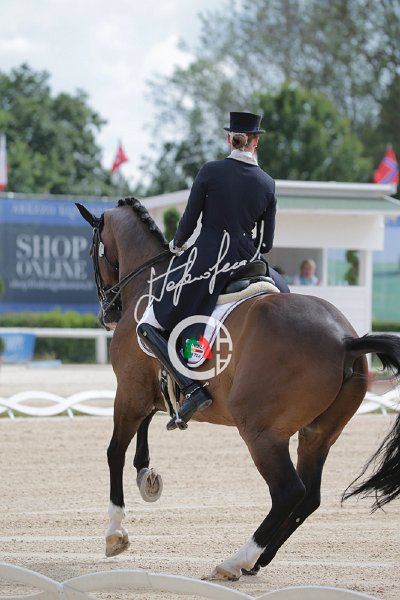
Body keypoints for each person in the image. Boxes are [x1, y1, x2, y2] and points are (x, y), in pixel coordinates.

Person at [137, 111, 286, 430]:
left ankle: (191, 388)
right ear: (256, 142)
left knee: (149, 323)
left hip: (207, 260)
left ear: (229, 138)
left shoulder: (211, 171)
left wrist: (176, 245)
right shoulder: (268, 183)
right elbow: (267, 242)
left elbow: (189, 221)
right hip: (250, 262)